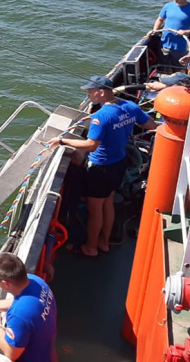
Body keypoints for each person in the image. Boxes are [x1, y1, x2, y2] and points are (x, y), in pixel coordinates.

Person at [49, 76, 156, 256]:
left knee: (95, 209)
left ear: (101, 92)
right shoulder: (130, 106)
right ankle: (104, 243)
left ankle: (91, 247)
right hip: (119, 164)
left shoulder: (101, 116)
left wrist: (61, 140)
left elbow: (91, 145)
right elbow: (151, 125)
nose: (89, 95)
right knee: (108, 203)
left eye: (91, 92)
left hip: (101, 168)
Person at [0, 253, 57, 362]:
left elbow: (11, 353)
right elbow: (25, 302)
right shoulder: (36, 281)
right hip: (48, 352)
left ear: (5, 283)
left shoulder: (18, 315)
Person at [148, 0, 190, 67]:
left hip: (180, 48)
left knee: (178, 70)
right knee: (162, 68)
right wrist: (155, 30)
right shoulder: (168, 6)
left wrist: (186, 31)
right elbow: (160, 19)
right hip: (164, 45)